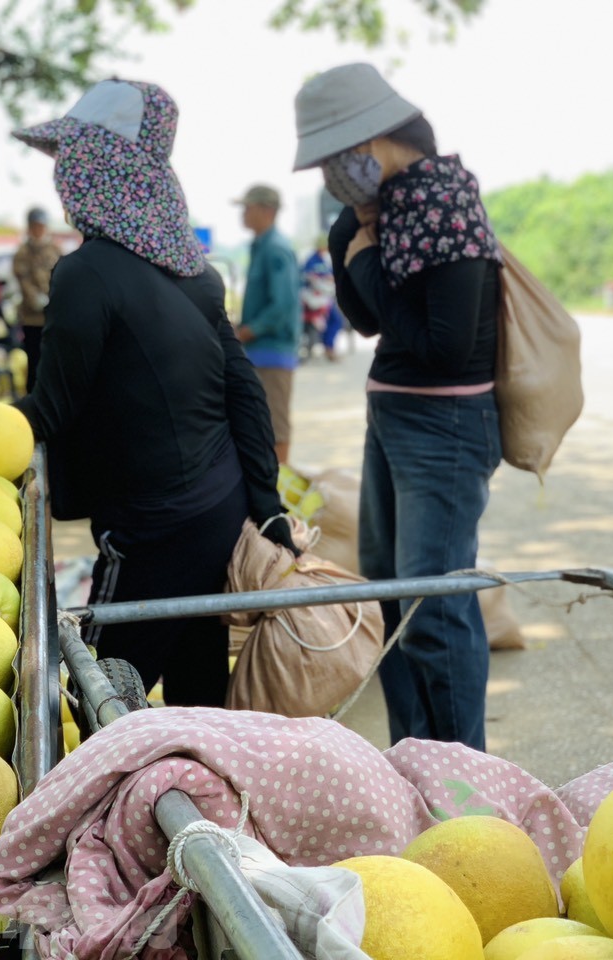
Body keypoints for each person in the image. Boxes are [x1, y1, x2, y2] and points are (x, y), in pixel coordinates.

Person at [13, 79, 295, 707]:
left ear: (96, 168)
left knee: (97, 696)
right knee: (197, 687)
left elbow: (51, 409)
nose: (61, 178)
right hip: (217, 507)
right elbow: (244, 394)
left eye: (69, 160)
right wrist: (266, 505)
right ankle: (206, 802)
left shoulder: (85, 273)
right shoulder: (191, 270)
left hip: (155, 528)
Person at [293, 62, 504, 750]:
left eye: (335, 158)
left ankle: (461, 775)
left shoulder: (443, 202)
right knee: (389, 594)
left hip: (443, 424)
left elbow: (441, 347)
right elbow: (368, 325)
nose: (330, 173)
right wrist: (347, 240)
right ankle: (415, 755)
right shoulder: (387, 209)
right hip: (394, 417)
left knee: (433, 604)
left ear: (375, 140)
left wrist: (360, 260)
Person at [234, 184, 301, 464]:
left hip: (272, 351)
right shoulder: (263, 247)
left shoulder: (275, 249)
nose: (243, 214)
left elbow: (282, 306)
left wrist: (246, 332)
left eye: (247, 208)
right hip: (260, 352)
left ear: (267, 210)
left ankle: (278, 493)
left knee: (275, 424)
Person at [11, 206, 61, 392]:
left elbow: (63, 276)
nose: (38, 230)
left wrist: (55, 299)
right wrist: (37, 300)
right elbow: (23, 279)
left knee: (53, 361)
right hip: (32, 317)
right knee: (34, 360)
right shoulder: (23, 253)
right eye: (35, 226)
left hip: (53, 317)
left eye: (41, 226)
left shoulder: (55, 250)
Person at [302, 236, 346, 361]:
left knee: (335, 321)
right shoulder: (312, 260)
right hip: (314, 299)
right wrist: (324, 281)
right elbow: (311, 279)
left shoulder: (324, 260)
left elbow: (332, 276)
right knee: (334, 320)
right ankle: (328, 348)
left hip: (325, 298)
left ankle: (328, 347)